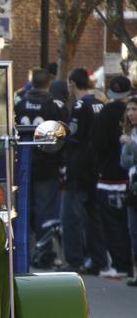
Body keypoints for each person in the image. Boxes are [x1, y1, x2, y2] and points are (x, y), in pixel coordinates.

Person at [14, 67, 68, 268]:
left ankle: (22, 252)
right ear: (49, 84)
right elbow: (64, 135)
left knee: (22, 209)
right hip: (47, 165)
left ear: (31, 82)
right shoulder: (55, 105)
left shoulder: (18, 102)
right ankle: (44, 253)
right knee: (45, 212)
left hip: (22, 166)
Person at [60, 67, 107, 274]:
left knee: (70, 216)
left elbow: (74, 136)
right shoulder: (98, 103)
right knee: (93, 216)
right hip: (94, 167)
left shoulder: (80, 105)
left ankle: (74, 259)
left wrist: (64, 130)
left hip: (78, 168)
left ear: (72, 82)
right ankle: (98, 258)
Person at [92, 75, 133, 278]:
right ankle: (127, 264)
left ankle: (121, 264)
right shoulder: (124, 117)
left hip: (110, 176)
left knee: (113, 224)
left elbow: (97, 143)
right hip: (128, 177)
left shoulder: (106, 112)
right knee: (126, 225)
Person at [120, 94, 137, 285]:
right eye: (129, 109)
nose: (131, 113)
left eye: (134, 109)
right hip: (132, 186)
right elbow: (124, 161)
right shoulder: (129, 132)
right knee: (133, 231)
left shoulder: (129, 138)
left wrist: (131, 145)